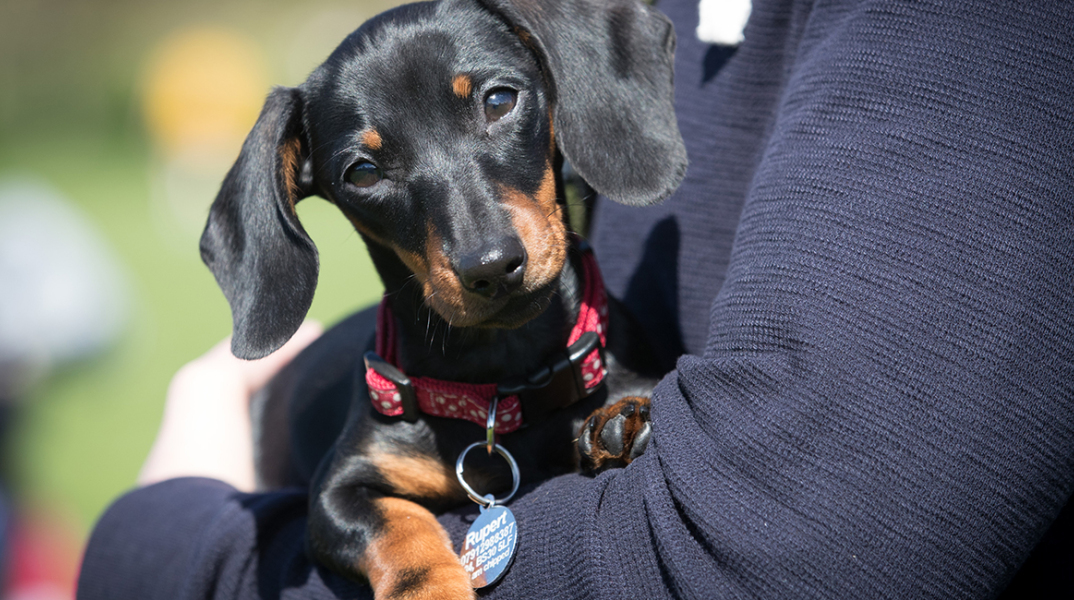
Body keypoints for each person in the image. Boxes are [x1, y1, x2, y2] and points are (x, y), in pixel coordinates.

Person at [77, 0, 1074, 598]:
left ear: (560, 89)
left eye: (497, 105)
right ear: (310, 190)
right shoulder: (388, 422)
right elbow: (351, 500)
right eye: (371, 172)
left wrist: (166, 556)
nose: (482, 244)